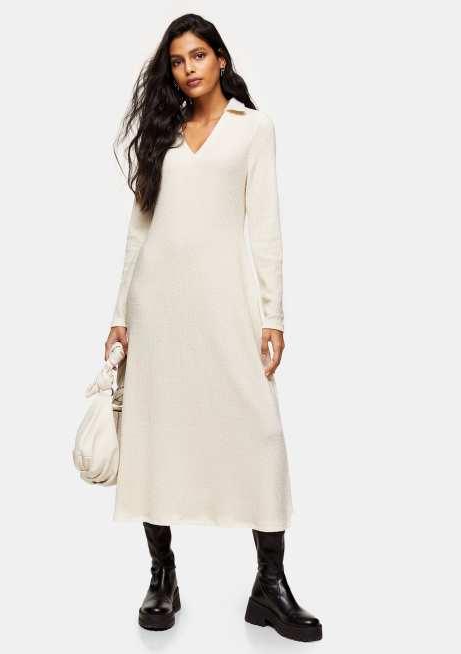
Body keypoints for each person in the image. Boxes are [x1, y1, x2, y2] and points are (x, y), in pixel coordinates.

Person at [104, 13, 322, 642]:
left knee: (259, 430)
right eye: (177, 61)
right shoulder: (164, 133)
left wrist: (274, 316)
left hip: (227, 305)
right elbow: (139, 231)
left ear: (221, 58)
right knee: (154, 435)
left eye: (198, 55)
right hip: (157, 307)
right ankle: (162, 574)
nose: (188, 69)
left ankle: (270, 585)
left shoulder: (253, 128)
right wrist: (119, 315)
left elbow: (266, 226)